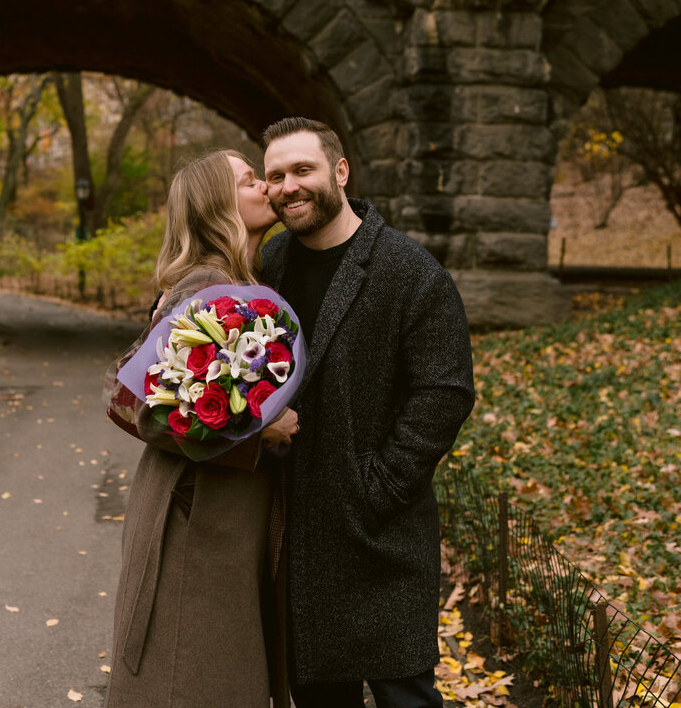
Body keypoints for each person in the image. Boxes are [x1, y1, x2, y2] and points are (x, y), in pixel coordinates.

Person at [258, 118, 475, 708]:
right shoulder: (269, 263)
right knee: (317, 695)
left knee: (405, 693)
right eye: (275, 176)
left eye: (302, 170)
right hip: (295, 530)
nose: (287, 187)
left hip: (381, 530)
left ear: (340, 172)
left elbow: (444, 391)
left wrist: (375, 485)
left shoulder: (408, 270)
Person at [104, 149, 299, 708]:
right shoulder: (207, 285)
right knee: (192, 678)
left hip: (216, 508)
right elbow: (147, 406)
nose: (266, 187)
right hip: (194, 513)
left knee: (210, 672)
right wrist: (259, 428)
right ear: (219, 204)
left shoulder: (238, 278)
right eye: (249, 180)